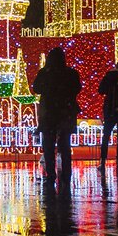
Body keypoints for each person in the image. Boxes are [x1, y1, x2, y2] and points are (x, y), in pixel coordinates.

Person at [31, 47, 82, 187]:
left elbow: (36, 88)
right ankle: (66, 173)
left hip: (49, 112)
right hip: (66, 112)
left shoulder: (45, 73)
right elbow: (77, 88)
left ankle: (51, 174)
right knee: (65, 144)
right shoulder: (71, 73)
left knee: (48, 144)